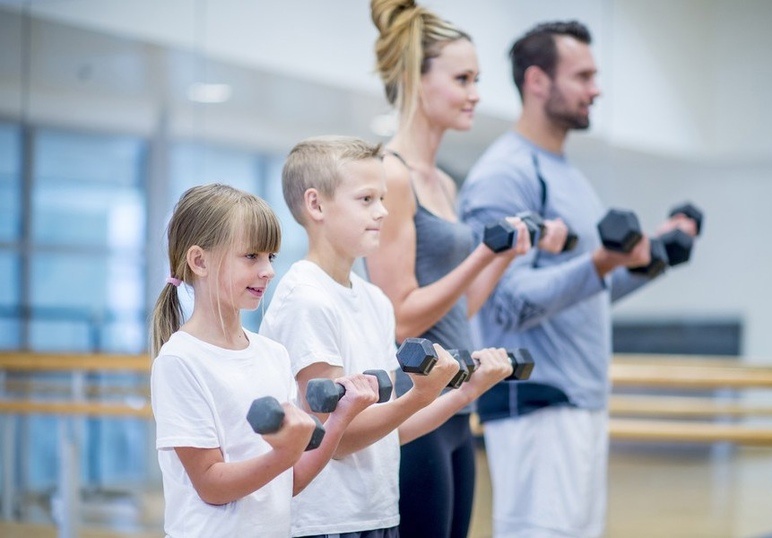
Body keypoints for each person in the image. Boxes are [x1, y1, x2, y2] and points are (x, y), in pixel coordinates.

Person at [458, 21, 701, 537]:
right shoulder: (507, 174)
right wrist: (602, 263)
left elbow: (587, 292)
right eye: (583, 76)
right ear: (537, 82)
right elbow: (510, 304)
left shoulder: (567, 173)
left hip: (580, 397)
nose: (597, 89)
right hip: (537, 397)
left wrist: (652, 256)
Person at [364, 2, 572, 537]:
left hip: (456, 406)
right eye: (462, 79)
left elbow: (460, 307)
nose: (476, 92)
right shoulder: (392, 174)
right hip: (416, 405)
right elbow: (402, 318)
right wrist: (483, 252)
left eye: (477, 78)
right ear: (415, 79)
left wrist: (504, 255)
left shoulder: (444, 182)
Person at [260, 135, 515, 538]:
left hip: (377, 516)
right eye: (365, 200)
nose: (382, 212)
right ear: (316, 205)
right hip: (325, 525)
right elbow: (337, 439)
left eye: (382, 198)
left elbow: (390, 430)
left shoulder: (375, 300)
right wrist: (419, 394)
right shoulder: (306, 299)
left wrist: (465, 392)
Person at [149, 183, 378, 538]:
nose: (269, 270)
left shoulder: (272, 354)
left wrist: (341, 418)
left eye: (270, 257)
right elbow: (211, 484)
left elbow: (292, 481)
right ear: (199, 260)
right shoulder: (180, 359)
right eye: (251, 256)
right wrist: (283, 455)